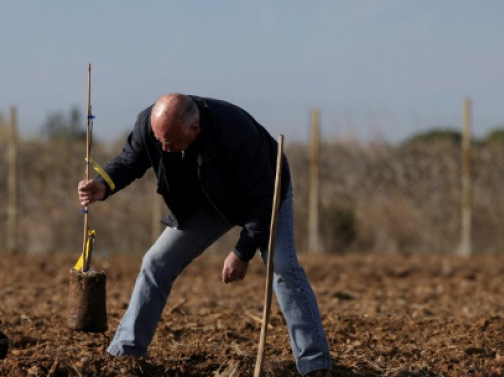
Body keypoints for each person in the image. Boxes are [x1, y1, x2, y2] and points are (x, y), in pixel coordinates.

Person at [78, 93, 332, 376]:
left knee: (283, 267)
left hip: (263, 195)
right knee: (155, 262)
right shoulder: (150, 125)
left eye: (171, 143)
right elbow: (131, 160)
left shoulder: (236, 132)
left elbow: (262, 199)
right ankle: (126, 354)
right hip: (205, 200)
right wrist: (104, 185)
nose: (163, 147)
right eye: (158, 139)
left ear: (194, 129)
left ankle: (315, 364)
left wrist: (242, 251)